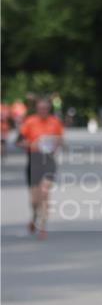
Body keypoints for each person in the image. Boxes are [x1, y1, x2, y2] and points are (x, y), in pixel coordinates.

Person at [17, 96, 64, 239]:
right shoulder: (30, 121)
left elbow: (61, 140)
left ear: (49, 109)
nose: (44, 111)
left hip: (49, 161)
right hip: (34, 160)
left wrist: (56, 143)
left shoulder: (55, 122)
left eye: (46, 108)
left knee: (45, 193)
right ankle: (34, 217)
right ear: (37, 109)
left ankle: (43, 227)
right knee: (34, 199)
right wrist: (32, 145)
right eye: (41, 108)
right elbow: (19, 142)